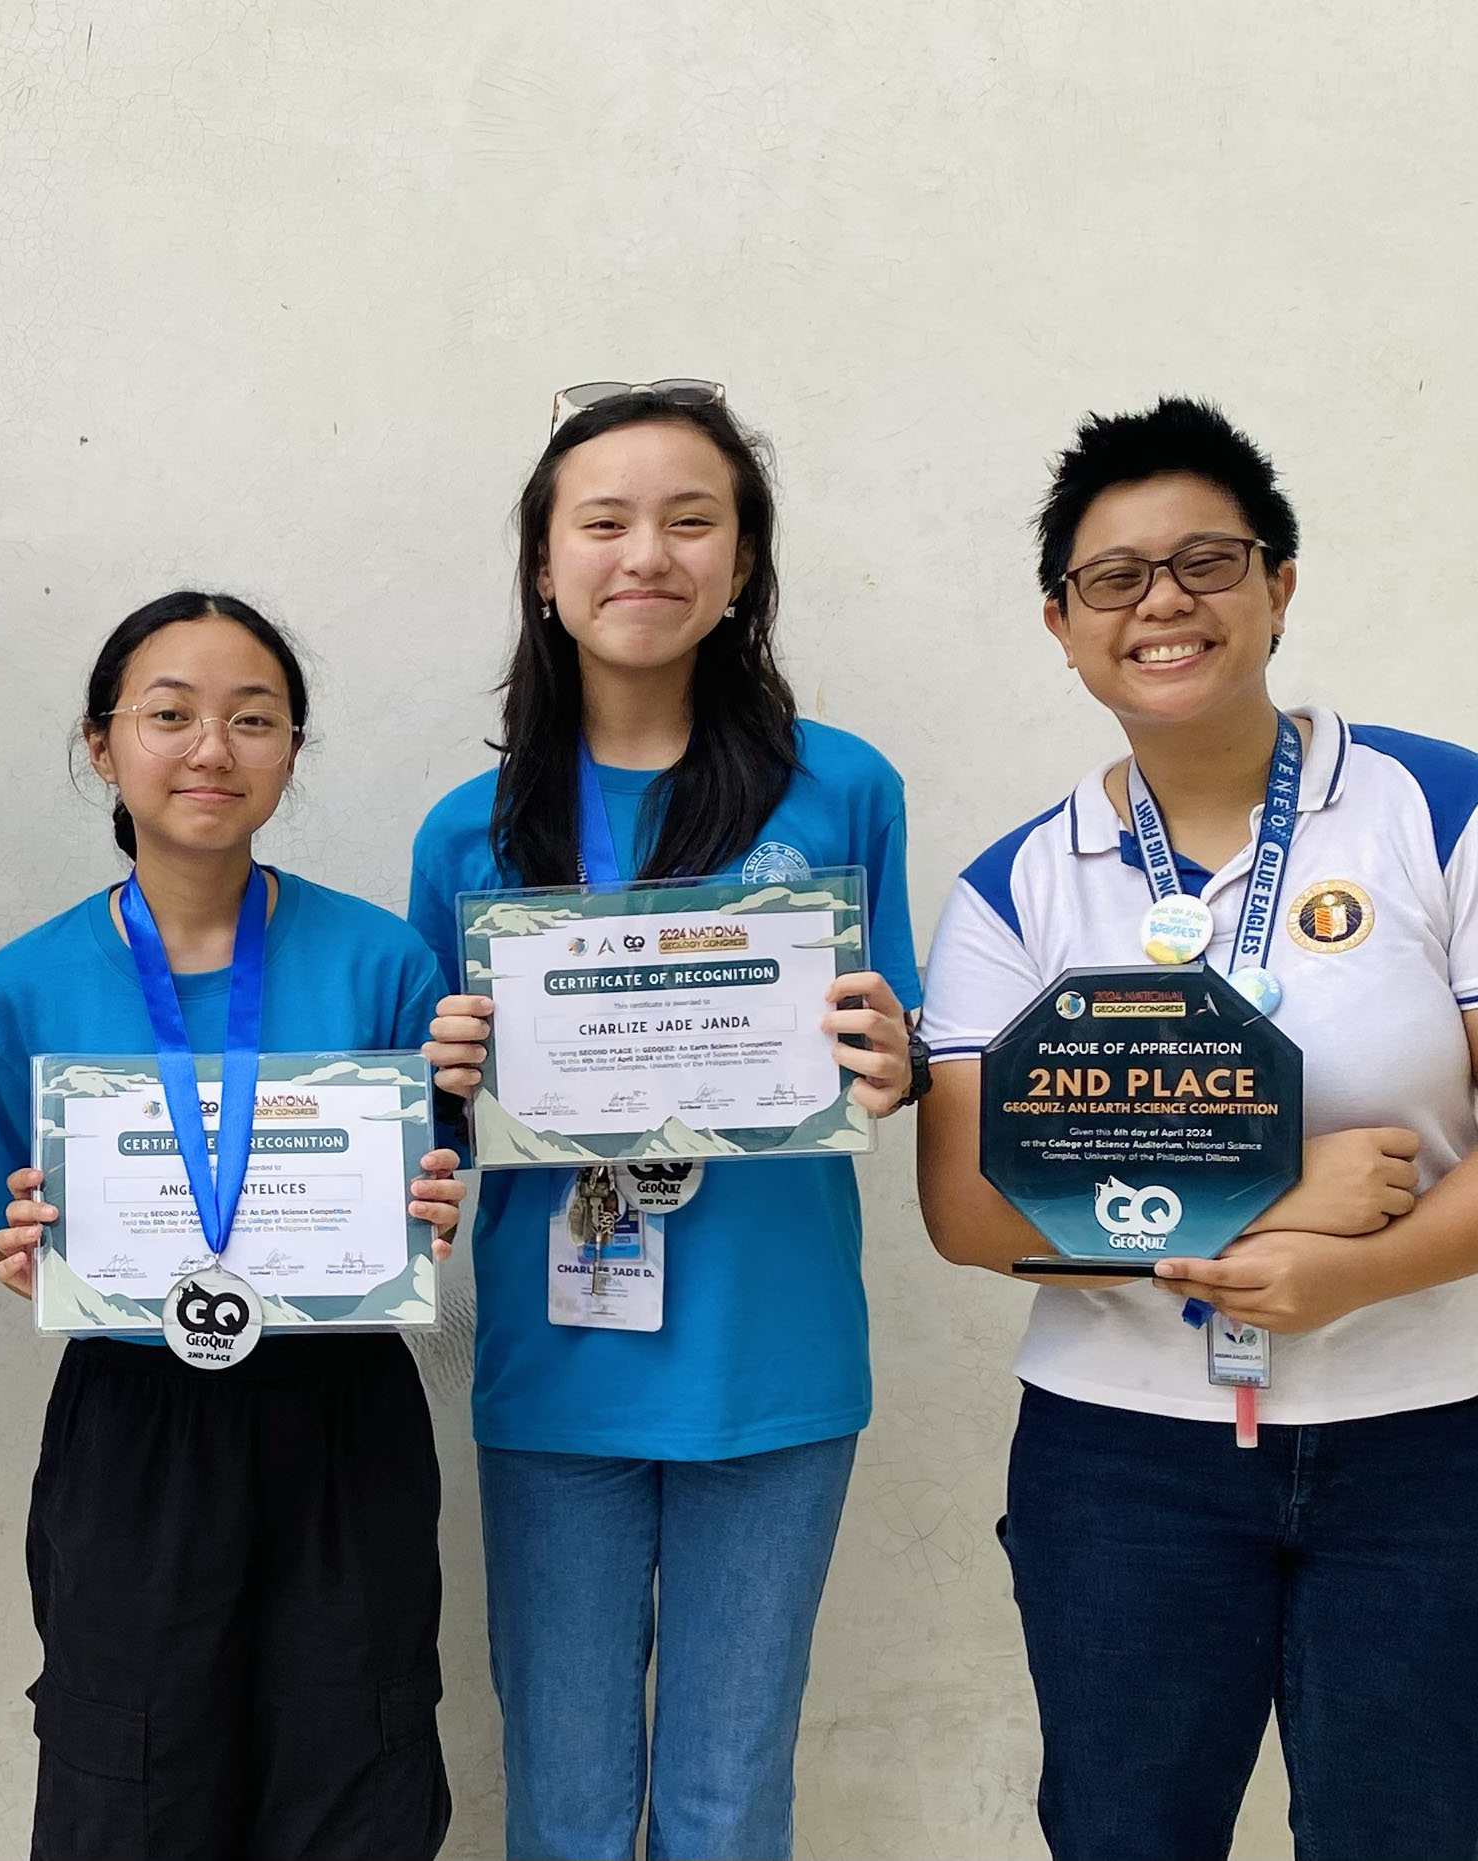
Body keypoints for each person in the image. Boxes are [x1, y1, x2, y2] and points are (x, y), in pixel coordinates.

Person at [913, 397, 1478, 1861]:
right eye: (1113, 577)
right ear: (1061, 624)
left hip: (1424, 1449)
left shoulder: (1446, 811)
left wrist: (1357, 1272)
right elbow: (973, 1213)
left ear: (1279, 585)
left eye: (1207, 561)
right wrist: (1281, 1199)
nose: (1162, 602)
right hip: (1123, 1463)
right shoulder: (1017, 888)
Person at [410, 382, 924, 1860]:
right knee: (563, 1799)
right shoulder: (473, 826)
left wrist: (895, 1057)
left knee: (725, 1799)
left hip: (775, 1358)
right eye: (606, 522)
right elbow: (425, 1126)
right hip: (557, 1357)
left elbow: (911, 1055)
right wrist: (442, 1067)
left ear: (744, 564)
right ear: (543, 564)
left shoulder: (844, 789)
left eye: (692, 521)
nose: (648, 554)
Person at [0, 591, 466, 1861]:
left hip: (341, 1415)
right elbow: (4, 1231)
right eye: (168, 715)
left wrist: (429, 1214)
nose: (210, 750)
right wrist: (22, 1257)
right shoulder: (23, 983)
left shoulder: (385, 960)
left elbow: (424, 1193)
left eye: (253, 718)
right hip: (136, 1429)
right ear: (101, 744)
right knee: (130, 1786)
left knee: (358, 1780)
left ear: (293, 747)